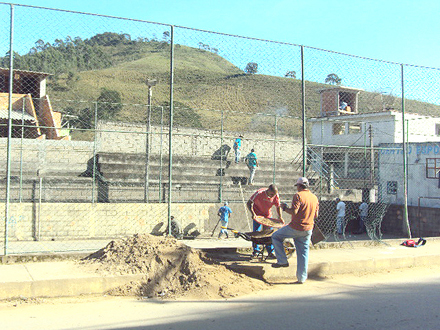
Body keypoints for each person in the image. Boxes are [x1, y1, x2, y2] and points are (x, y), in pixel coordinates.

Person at [271, 177, 319, 284]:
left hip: (296, 227)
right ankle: (301, 278)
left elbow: (294, 212)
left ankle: (282, 260)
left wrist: (284, 208)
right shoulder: (314, 197)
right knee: (303, 253)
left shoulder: (298, 195)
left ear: (299, 186)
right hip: (308, 229)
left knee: (276, 236)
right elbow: (316, 215)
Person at [247, 184, 284, 259]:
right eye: (271, 194)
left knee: (268, 234)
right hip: (257, 215)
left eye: (274, 195)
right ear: (268, 190)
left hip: (267, 215)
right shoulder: (259, 193)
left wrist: (280, 217)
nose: (272, 196)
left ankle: (270, 251)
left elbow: (278, 206)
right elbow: (249, 203)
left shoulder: (275, 195)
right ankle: (256, 251)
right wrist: (253, 214)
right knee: (256, 233)